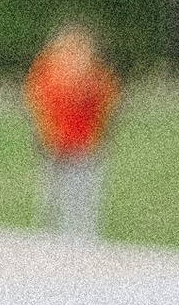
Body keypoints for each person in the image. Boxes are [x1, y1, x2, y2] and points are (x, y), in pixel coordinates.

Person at [23, 26, 119, 242]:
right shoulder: (51, 69)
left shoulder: (86, 71)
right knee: (66, 207)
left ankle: (71, 251)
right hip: (63, 147)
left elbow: (105, 105)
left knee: (71, 208)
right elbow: (37, 105)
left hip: (78, 147)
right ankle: (65, 250)